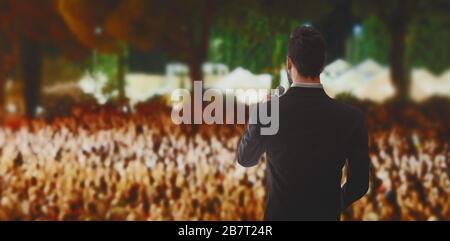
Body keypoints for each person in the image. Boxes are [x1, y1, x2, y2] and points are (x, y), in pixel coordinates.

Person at [237, 26, 370, 221]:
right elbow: (359, 184)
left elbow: (246, 158)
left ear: (289, 63)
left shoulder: (269, 112)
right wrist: (331, 205)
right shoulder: (352, 118)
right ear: (322, 65)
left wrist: (259, 116)